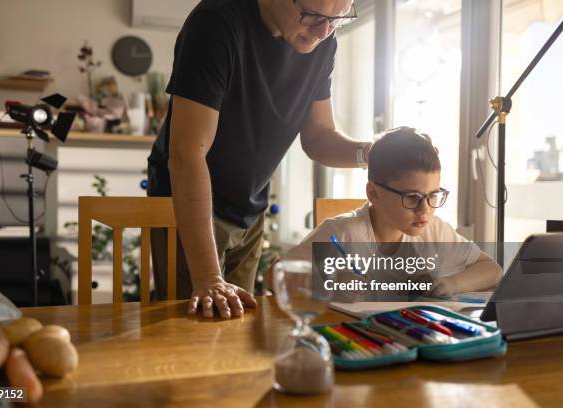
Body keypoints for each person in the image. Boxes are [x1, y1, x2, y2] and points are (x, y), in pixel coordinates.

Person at [147, 0, 373, 319]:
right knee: (191, 329)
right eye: (313, 16)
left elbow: (319, 136)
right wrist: (209, 277)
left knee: (237, 327)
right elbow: (187, 155)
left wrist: (369, 153)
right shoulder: (216, 23)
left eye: (337, 20)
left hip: (250, 207)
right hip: (191, 203)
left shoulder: (322, 41)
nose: (323, 32)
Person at [284, 127, 503, 298]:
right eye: (411, 197)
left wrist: (451, 284)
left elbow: (492, 270)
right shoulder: (342, 233)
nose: (425, 210)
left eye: (432, 196)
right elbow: (277, 274)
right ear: (374, 193)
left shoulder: (433, 229)